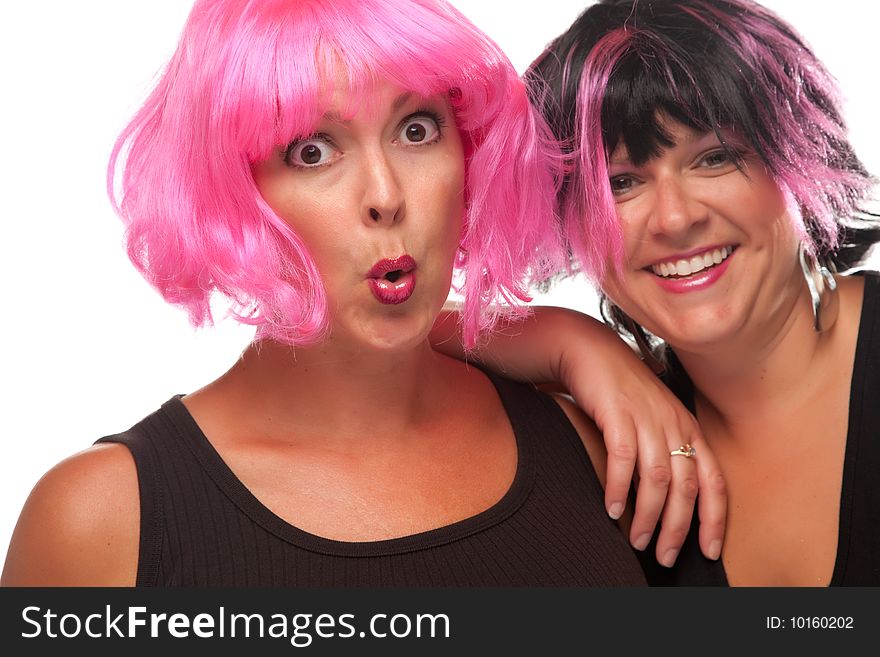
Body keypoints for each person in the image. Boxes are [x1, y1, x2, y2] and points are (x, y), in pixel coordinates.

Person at [0, 0, 719, 587]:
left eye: (416, 129)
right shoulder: (102, 522)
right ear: (232, 193)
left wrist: (571, 341)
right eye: (312, 150)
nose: (385, 196)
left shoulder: (598, 447)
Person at [435, 0, 878, 585]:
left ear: (798, 159)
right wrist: (570, 341)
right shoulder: (611, 442)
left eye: (715, 158)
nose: (673, 219)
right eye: (620, 183)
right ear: (568, 217)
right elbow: (371, 348)